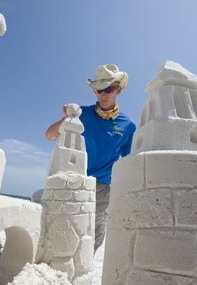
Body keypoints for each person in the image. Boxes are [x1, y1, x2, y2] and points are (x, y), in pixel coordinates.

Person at [45, 64, 136, 252]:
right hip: (72, 179)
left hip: (103, 187)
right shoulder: (82, 114)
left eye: (108, 89)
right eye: (98, 89)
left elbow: (129, 162)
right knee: (62, 226)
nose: (103, 94)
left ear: (118, 89)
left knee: (95, 235)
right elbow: (49, 135)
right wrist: (66, 119)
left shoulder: (128, 126)